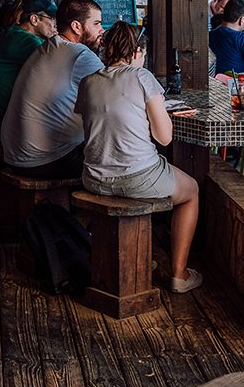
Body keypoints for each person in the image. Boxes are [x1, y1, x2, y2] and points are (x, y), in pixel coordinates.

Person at [77, 22, 202, 293]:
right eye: (142, 54)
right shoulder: (142, 77)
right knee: (191, 190)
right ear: (136, 52)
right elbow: (164, 138)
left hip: (93, 177)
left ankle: (140, 256)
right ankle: (180, 274)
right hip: (136, 178)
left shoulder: (88, 82)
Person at [0, 0, 104, 179]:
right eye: (96, 24)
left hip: (15, 153)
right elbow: (117, 90)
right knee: (116, 163)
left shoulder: (49, 47)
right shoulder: (80, 55)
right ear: (76, 27)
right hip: (43, 161)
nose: (101, 30)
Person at [0, 0, 58, 134]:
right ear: (34, 19)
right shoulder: (26, 41)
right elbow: (57, 67)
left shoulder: (16, 32)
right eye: (51, 19)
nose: (55, 24)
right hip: (3, 118)